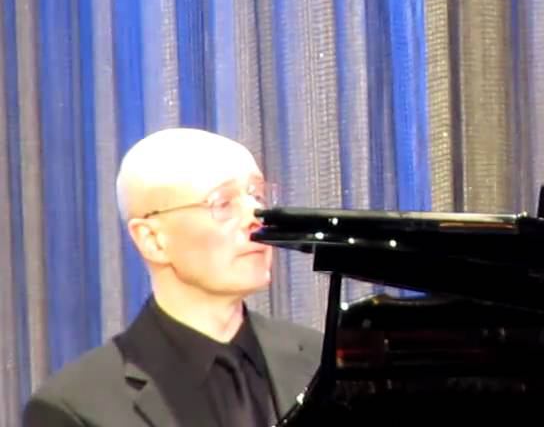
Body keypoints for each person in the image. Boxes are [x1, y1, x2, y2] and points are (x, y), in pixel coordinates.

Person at [23, 127, 322, 427]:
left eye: (257, 196)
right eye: (223, 203)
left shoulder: (321, 361)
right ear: (152, 239)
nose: (255, 220)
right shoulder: (75, 408)